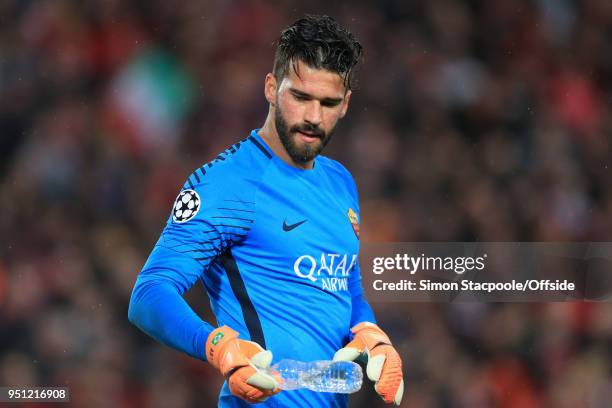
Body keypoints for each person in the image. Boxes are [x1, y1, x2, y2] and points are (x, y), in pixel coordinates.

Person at [128, 14, 404, 407]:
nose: (313, 117)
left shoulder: (340, 182)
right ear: (271, 89)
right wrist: (217, 346)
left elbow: (345, 282)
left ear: (345, 105)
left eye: (327, 103)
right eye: (300, 97)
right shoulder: (226, 184)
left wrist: (371, 333)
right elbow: (149, 293)